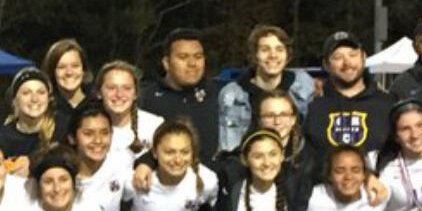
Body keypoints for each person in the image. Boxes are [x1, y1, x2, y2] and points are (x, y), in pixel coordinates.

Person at [218, 25, 316, 153]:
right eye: (265, 49)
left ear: (287, 56)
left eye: (279, 49)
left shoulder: (304, 85)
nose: (273, 55)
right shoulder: (232, 95)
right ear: (254, 55)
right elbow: (228, 148)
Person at [303, 31, 394, 159]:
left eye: (352, 55)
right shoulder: (314, 108)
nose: (347, 63)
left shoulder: (388, 104)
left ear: (363, 57)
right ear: (326, 64)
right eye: (338, 57)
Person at [140, 28, 219, 158]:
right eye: (183, 57)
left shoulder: (218, 94)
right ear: (166, 63)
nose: (192, 63)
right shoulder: (146, 100)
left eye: (198, 57)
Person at [0, 67, 55, 173]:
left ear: (48, 99)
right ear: (15, 100)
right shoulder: (0, 138)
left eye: (41, 92)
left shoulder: (60, 133)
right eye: (26, 93)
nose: (34, 99)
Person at [95, 61, 162, 158]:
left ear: (135, 94)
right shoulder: (87, 127)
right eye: (111, 88)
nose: (119, 94)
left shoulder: (154, 126)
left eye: (126, 88)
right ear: (99, 93)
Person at [41, 38, 91, 138]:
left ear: (83, 70)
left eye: (75, 66)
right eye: (61, 67)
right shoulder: (43, 110)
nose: (69, 72)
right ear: (52, 72)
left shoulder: (98, 107)